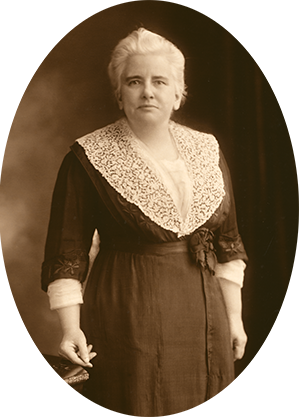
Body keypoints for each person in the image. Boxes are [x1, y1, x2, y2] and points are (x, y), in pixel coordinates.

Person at [41, 28, 248, 416]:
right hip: (129, 311)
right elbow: (66, 255)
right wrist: (71, 329)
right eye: (134, 82)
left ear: (177, 93)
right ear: (119, 93)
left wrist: (234, 319)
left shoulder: (207, 149)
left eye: (159, 81)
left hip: (205, 318)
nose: (147, 92)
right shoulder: (87, 157)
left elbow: (228, 244)